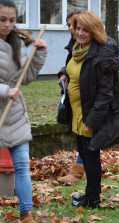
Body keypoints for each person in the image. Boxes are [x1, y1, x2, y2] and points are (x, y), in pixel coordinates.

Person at [58, 11, 119, 208]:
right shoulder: (78, 48)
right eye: (78, 28)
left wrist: (93, 121)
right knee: (83, 151)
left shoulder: (102, 55)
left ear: (94, 31)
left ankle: (93, 199)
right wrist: (64, 73)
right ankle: (89, 196)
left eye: (85, 30)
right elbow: (74, 67)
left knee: (90, 155)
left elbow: (105, 94)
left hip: (89, 114)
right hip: (77, 111)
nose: (80, 33)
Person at [0, 0, 47, 222]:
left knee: (22, 167)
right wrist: (4, 90)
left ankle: (26, 214)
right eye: (2, 20)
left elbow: (25, 79)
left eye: (12, 20)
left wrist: (39, 54)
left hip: (15, 115)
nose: (7, 25)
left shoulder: (18, 42)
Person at [57, 10, 86, 184]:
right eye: (68, 25)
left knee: (85, 135)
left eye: (73, 25)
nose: (71, 29)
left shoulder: (88, 44)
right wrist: (63, 73)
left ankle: (78, 172)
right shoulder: (74, 43)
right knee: (79, 133)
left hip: (87, 99)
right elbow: (70, 64)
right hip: (74, 98)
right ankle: (87, 170)